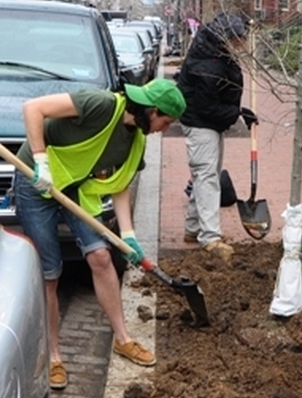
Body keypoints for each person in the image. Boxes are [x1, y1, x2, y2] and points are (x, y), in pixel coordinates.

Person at [14, 77, 186, 390]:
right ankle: (53, 356)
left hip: (75, 187)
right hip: (36, 182)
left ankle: (123, 339)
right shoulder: (101, 104)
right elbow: (33, 108)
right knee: (50, 273)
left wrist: (129, 234)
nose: (166, 128)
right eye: (166, 121)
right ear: (152, 110)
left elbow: (119, 184)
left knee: (102, 257)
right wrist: (41, 162)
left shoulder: (136, 140)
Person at [175, 13, 258, 263]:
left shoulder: (217, 50)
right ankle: (210, 238)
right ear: (229, 38)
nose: (245, 43)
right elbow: (207, 106)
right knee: (207, 176)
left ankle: (192, 229)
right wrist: (235, 112)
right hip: (200, 122)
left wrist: (239, 110)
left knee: (206, 174)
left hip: (209, 121)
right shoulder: (208, 64)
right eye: (242, 38)